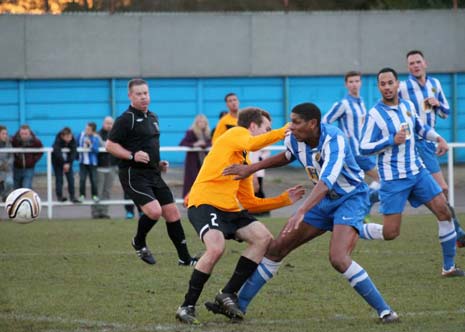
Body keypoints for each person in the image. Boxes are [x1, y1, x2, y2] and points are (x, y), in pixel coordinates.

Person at [221, 103, 398, 324]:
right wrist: (251, 168)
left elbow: (326, 182)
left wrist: (300, 211)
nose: (291, 126)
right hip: (323, 202)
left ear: (312, 123)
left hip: (350, 199)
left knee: (338, 258)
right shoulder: (296, 139)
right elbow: (287, 156)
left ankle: (386, 311)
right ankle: (239, 306)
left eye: (296, 122)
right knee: (276, 249)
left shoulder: (335, 139)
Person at [175, 107, 305, 324]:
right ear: (252, 126)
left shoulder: (243, 161)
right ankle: (186, 306)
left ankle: (227, 293)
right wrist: (285, 130)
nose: (268, 133)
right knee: (216, 248)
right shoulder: (236, 133)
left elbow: (249, 202)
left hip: (229, 210)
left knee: (263, 238)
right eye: (266, 129)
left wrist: (283, 200)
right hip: (204, 203)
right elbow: (253, 143)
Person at [358, 67, 464, 277]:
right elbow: (363, 147)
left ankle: (448, 267)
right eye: (383, 84)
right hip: (393, 179)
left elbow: (420, 128)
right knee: (390, 233)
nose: (387, 87)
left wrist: (439, 138)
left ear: (398, 84)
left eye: (390, 83)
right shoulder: (374, 114)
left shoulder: (407, 106)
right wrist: (390, 140)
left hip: (418, 173)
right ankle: (351, 227)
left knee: (444, 211)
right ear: (379, 87)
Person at [106, 78, 197, 266]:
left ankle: (185, 259)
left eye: (145, 93)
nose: (143, 97)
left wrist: (159, 163)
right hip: (133, 175)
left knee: (173, 214)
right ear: (130, 96)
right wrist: (132, 156)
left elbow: (149, 146)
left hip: (153, 173)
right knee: (154, 212)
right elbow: (110, 145)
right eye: (138, 94)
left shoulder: (153, 117)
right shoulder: (126, 119)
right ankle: (138, 241)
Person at [398, 50, 465, 247]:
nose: (415, 65)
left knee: (435, 190)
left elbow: (446, 112)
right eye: (411, 63)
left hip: (428, 143)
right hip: (413, 143)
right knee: (441, 188)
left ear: (425, 63)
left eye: (418, 62)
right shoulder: (402, 87)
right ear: (408, 67)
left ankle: (454, 230)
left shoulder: (434, 85)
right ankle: (457, 232)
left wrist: (437, 105)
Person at [322, 71, 381, 214]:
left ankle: (360, 211)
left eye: (357, 81)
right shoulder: (343, 104)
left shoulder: (361, 102)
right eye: (351, 82)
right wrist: (340, 136)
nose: (354, 84)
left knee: (360, 185)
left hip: (364, 150)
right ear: (346, 84)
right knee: (383, 179)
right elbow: (324, 122)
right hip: (354, 153)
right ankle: (364, 206)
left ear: (361, 83)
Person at [179, 114, 212, 198]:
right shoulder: (191, 132)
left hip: (205, 161)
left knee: (206, 180)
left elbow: (212, 142)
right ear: (196, 123)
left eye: (203, 121)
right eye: (199, 122)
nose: (201, 123)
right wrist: (195, 144)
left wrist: (204, 144)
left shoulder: (208, 133)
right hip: (193, 161)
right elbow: (182, 143)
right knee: (192, 181)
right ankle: (189, 199)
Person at [91, 116, 118, 219]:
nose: (109, 125)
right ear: (103, 123)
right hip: (99, 167)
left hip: (112, 167)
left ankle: (104, 211)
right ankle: (95, 212)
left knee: (107, 191)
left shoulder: (116, 135)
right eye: (107, 123)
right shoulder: (96, 135)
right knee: (98, 190)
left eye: (111, 123)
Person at [11, 124, 43, 189]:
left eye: (26, 134)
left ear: (29, 133)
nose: (24, 135)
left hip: (29, 168)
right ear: (19, 133)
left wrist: (33, 160)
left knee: (26, 187)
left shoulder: (35, 141)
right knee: (16, 188)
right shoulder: (14, 140)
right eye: (22, 133)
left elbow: (40, 151)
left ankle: (27, 199)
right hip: (17, 167)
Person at [51, 127, 79, 203]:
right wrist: (63, 164)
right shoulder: (57, 141)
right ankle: (59, 196)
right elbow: (57, 153)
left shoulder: (72, 140)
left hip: (68, 162)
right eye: (67, 137)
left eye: (70, 136)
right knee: (59, 179)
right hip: (57, 162)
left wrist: (68, 163)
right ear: (62, 136)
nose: (69, 138)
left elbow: (74, 152)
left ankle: (72, 196)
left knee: (71, 179)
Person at [77, 122, 100, 203]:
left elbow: (96, 150)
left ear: (93, 131)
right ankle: (82, 195)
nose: (86, 130)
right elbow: (76, 146)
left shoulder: (96, 137)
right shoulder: (81, 135)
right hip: (82, 162)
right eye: (86, 128)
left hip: (92, 163)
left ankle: (94, 196)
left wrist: (90, 144)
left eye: (88, 129)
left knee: (94, 180)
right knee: (82, 179)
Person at [0, 125, 14, 201]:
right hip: (0, 167)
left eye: (6, 133)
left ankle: (5, 196)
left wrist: (7, 164)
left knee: (9, 182)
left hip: (7, 168)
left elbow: (11, 156)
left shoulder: (9, 143)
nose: (5, 135)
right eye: (3, 133)